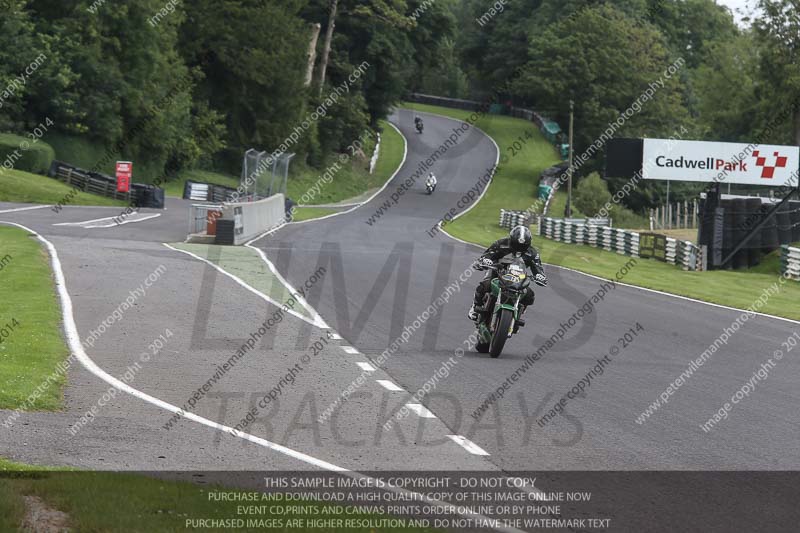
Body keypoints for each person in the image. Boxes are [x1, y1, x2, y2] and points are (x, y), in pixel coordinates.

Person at [468, 225, 547, 321]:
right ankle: (475, 308)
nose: (519, 248)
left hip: (519, 277)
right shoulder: (501, 244)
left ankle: (519, 311)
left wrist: (539, 276)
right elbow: (488, 254)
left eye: (522, 246)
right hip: (497, 272)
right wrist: (486, 260)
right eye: (517, 245)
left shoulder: (532, 253)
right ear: (511, 240)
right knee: (485, 285)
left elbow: (538, 267)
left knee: (529, 295)